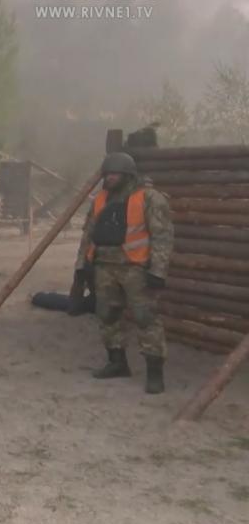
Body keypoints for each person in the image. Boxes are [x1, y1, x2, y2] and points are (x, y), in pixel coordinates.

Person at [75, 152, 174, 394]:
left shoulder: (150, 198)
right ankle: (117, 363)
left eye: (115, 174)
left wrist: (158, 270)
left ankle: (154, 374)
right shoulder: (100, 199)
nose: (109, 178)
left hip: (136, 268)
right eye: (107, 174)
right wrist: (82, 264)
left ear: (128, 174)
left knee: (145, 318)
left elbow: (162, 236)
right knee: (107, 315)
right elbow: (89, 233)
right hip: (104, 267)